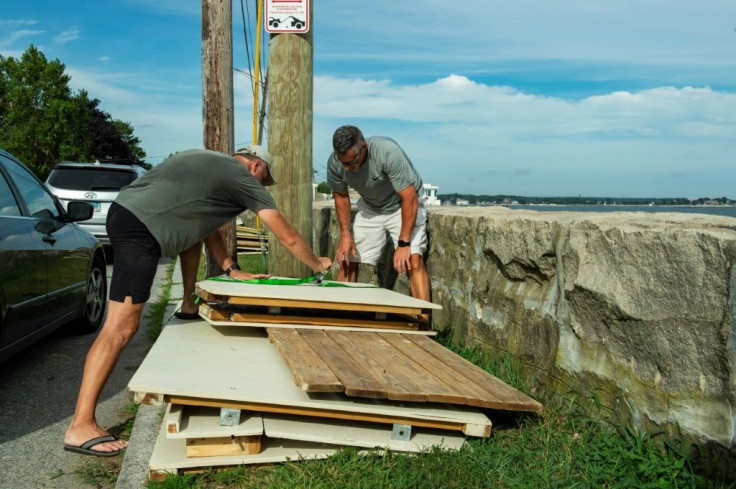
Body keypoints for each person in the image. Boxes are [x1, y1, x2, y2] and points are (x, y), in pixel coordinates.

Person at [63, 145, 331, 457]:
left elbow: (201, 228)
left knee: (124, 319)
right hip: (141, 228)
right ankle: (80, 424)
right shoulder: (241, 178)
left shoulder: (209, 163)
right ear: (256, 166)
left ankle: (189, 304)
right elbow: (288, 237)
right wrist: (317, 264)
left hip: (126, 212)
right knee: (120, 327)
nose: (259, 186)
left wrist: (231, 269)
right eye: (263, 179)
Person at [326, 125, 431, 316]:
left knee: (414, 259)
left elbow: (409, 197)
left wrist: (404, 242)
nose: (348, 168)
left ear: (364, 146)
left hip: (402, 205)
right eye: (344, 163)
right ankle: (338, 317)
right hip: (371, 206)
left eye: (352, 162)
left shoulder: (386, 151)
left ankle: (424, 326)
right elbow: (341, 197)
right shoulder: (335, 163)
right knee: (348, 258)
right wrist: (345, 234)